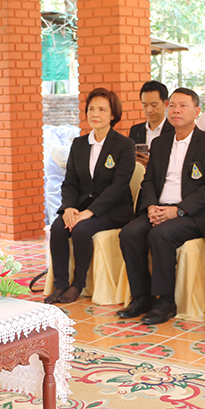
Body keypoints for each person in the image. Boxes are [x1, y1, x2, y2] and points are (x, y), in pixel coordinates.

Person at [118, 88, 205, 325]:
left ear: (197, 111)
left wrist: (178, 210)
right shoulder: (160, 143)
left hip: (192, 214)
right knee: (129, 233)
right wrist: (150, 206)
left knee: (160, 234)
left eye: (183, 106)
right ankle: (141, 297)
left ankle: (166, 301)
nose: (176, 110)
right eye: (173, 106)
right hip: (159, 208)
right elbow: (148, 181)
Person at [46, 88, 136, 304]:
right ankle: (60, 284)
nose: (95, 114)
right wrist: (69, 208)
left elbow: (119, 186)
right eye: (91, 109)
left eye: (102, 109)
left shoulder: (125, 145)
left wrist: (90, 212)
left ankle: (78, 284)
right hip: (81, 206)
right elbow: (70, 182)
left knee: (81, 230)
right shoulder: (79, 144)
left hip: (113, 210)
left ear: (113, 114)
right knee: (58, 227)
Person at [129, 81, 174, 167]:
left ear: (165, 104)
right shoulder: (135, 130)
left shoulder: (174, 131)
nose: (149, 110)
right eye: (145, 105)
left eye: (154, 105)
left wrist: (153, 164)